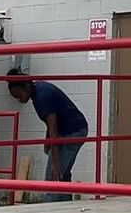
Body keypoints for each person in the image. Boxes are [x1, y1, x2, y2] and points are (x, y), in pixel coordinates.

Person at [5, 66, 87, 200]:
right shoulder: (39, 89)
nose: (19, 100)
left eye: (19, 95)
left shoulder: (42, 96)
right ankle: (64, 207)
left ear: (26, 86)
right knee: (63, 173)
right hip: (75, 129)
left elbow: (53, 126)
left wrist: (55, 161)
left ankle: (50, 210)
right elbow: (50, 122)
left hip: (71, 132)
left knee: (53, 176)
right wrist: (47, 139)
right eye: (16, 98)